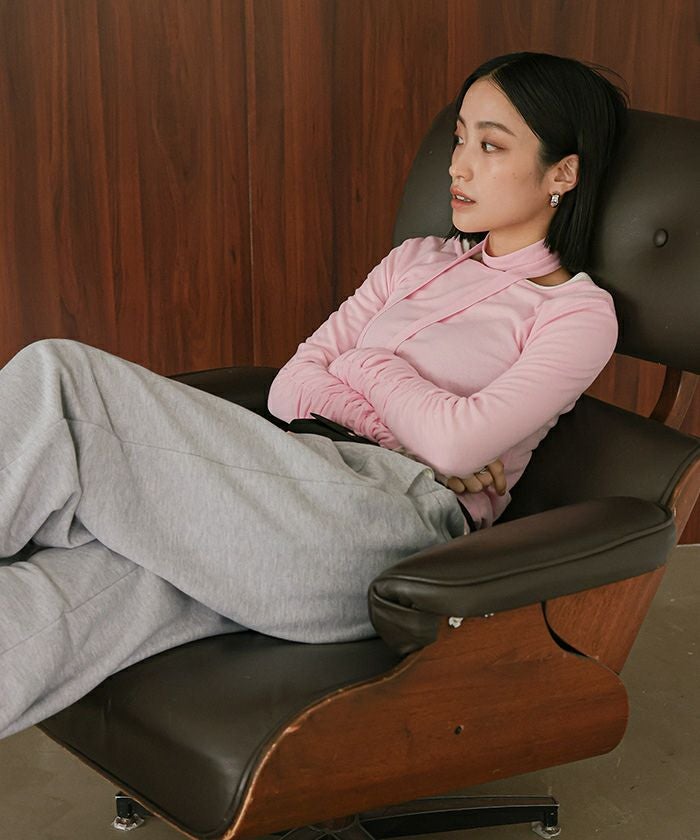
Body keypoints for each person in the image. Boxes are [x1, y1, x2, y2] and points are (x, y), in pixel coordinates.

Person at [0, 52, 627, 739]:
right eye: (458, 138)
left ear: (562, 173)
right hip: (289, 480)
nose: (458, 166)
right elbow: (292, 387)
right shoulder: (414, 260)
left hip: (387, 534)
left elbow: (455, 444)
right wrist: (404, 428)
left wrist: (364, 366)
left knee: (60, 381)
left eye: (490, 146)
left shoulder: (575, 313)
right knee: (55, 599)